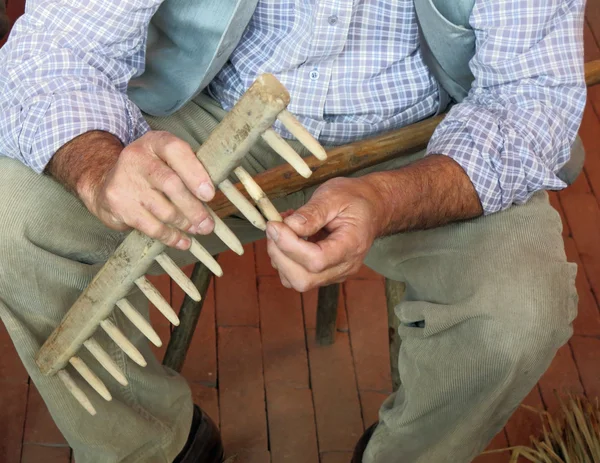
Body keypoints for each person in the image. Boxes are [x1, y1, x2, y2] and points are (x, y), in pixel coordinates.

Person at [0, 0, 585, 462]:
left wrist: (387, 198)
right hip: (219, 112)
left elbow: (530, 99)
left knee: (519, 309)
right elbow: (60, 45)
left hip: (424, 141)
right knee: (13, 221)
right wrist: (98, 170)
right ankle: (155, 447)